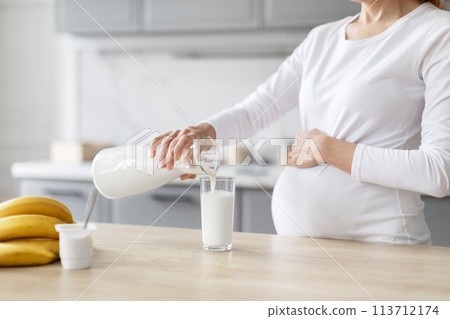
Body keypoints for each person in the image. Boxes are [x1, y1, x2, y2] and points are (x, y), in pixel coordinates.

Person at [149, 0, 450, 245]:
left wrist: (328, 149)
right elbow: (257, 109)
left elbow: (438, 172)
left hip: (383, 250)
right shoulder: (322, 38)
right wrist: (205, 133)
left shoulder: (437, 33)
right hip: (296, 248)